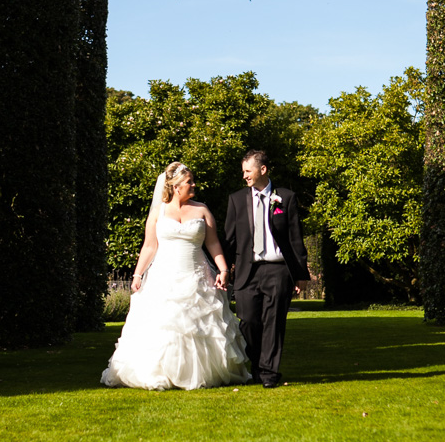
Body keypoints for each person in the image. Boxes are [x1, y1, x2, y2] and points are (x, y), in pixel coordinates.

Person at [101, 161, 250, 390]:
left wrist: (223, 270)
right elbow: (149, 247)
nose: (193, 185)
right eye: (189, 181)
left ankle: (200, 372)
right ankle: (161, 372)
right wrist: (138, 274)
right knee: (163, 327)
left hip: (197, 276)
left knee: (200, 327)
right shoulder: (158, 212)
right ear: (176, 186)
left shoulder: (202, 210)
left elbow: (213, 244)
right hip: (164, 278)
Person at [223, 149, 309, 388]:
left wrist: (300, 274)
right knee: (249, 322)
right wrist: (222, 269)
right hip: (246, 271)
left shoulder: (286, 198)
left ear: (263, 170)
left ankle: (269, 374)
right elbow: (229, 240)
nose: (244, 176)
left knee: (274, 322)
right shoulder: (236, 199)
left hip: (278, 270)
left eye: (247, 171)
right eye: (243, 172)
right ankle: (258, 365)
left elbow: (295, 239)